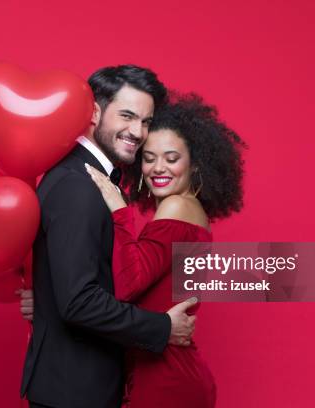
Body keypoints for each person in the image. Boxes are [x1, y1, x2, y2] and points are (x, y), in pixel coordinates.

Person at [19, 65, 199, 408]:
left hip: (77, 387)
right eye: (128, 116)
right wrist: (163, 327)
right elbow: (79, 301)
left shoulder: (89, 179)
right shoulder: (78, 185)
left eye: (146, 122)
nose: (137, 131)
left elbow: (77, 283)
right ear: (95, 111)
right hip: (74, 393)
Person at [84, 93, 246, 407]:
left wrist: (119, 209)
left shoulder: (176, 206)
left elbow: (128, 284)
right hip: (165, 372)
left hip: (167, 380)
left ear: (195, 164)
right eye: (149, 157)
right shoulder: (189, 210)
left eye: (172, 158)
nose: (159, 168)